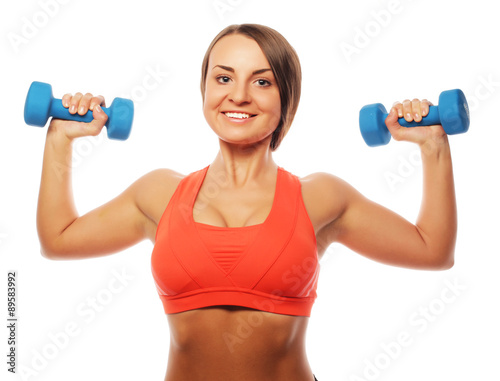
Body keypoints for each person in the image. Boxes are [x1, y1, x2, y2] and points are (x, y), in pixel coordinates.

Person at [37, 24, 456, 381]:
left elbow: (433, 251)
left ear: (285, 97)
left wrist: (432, 144)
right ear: (203, 90)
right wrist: (60, 138)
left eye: (262, 81)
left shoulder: (319, 197)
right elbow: (58, 241)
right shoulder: (158, 194)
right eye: (223, 78)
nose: (238, 96)